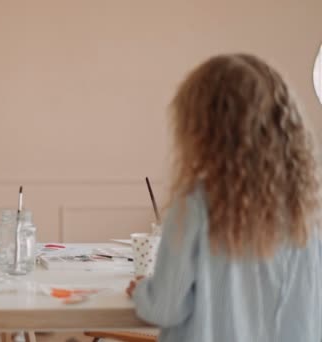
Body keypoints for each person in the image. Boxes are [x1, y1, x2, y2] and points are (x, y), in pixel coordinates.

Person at [127, 53, 322, 342]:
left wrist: (143, 291)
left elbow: (164, 308)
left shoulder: (196, 204)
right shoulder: (306, 207)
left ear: (201, 130)